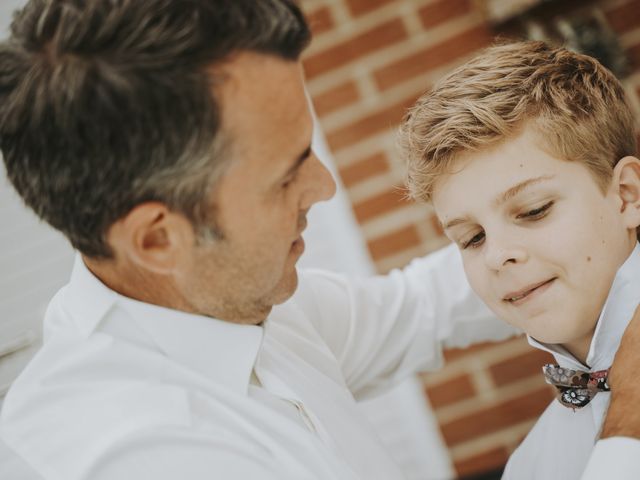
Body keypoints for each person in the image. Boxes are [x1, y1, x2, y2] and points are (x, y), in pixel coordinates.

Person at [0, 2, 638, 478]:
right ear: (159, 239)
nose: (325, 185)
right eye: (286, 174)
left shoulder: (238, 300)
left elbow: (424, 303)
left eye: (532, 209)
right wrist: (628, 423)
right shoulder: (126, 456)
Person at [398, 40, 640, 479]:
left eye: (533, 211)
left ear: (627, 195)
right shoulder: (530, 468)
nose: (497, 255)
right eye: (472, 238)